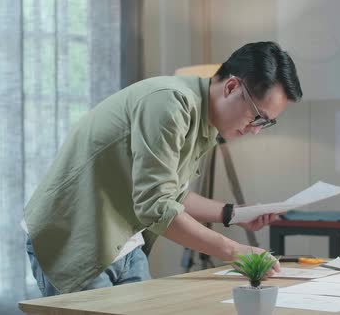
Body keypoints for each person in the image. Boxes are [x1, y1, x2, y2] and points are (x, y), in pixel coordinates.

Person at [23, 41, 303, 296]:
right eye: (258, 118)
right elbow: (155, 205)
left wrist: (234, 214)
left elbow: (170, 195)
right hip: (76, 239)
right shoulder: (170, 103)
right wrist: (235, 251)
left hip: (123, 241)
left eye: (266, 123)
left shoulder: (202, 123)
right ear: (231, 87)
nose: (255, 131)